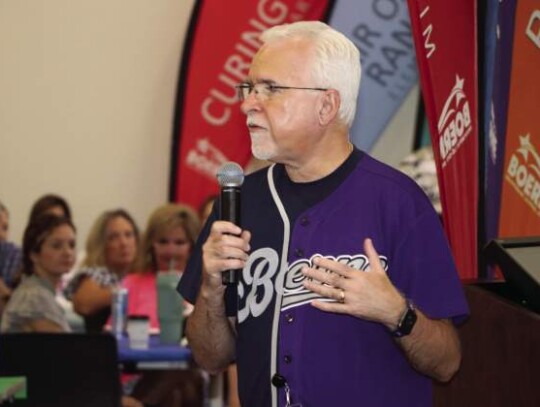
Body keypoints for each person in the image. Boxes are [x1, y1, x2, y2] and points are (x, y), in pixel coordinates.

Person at [178, 21, 469, 407]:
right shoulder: (239, 202)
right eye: (248, 88)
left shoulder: (399, 202)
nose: (248, 102)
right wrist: (212, 289)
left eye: (270, 89)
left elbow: (448, 362)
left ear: (327, 105)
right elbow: (210, 356)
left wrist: (397, 312)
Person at [121, 203, 204, 407]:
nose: (170, 250)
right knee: (177, 389)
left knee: (182, 378)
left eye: (179, 242)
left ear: (192, 245)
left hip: (190, 373)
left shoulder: (204, 287)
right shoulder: (131, 283)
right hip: (137, 376)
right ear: (151, 244)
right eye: (163, 241)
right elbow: (114, 337)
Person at [66, 209, 139, 332]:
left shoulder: (143, 273)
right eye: (113, 237)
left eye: (128, 235)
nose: (123, 243)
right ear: (101, 244)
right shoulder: (96, 273)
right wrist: (130, 291)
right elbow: (84, 305)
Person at [1, 214, 76, 333]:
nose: (68, 252)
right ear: (34, 255)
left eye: (72, 245)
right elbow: (64, 348)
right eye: (57, 246)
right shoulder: (34, 297)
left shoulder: (39, 292)